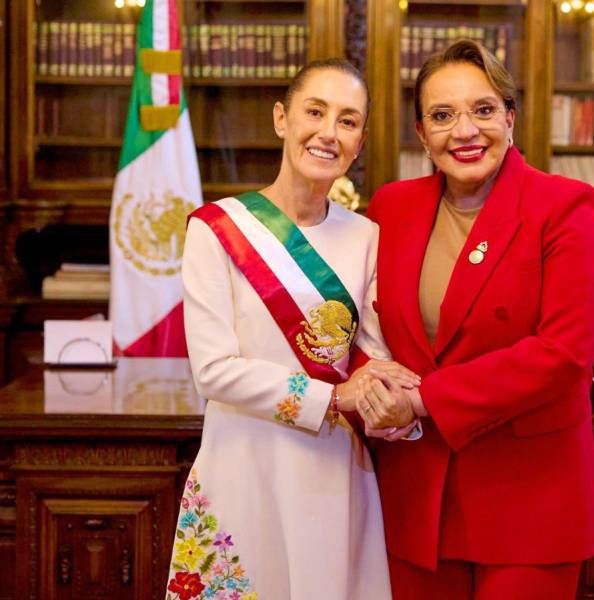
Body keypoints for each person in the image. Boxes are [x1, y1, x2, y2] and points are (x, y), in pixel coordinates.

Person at [361, 39, 594, 598]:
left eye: (483, 109)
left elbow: (564, 354)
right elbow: (364, 328)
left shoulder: (565, 206)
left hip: (529, 496)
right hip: (417, 492)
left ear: (510, 118)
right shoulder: (391, 208)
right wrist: (372, 387)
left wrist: (424, 398)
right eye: (442, 116)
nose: (465, 131)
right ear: (422, 135)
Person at [164, 58, 418, 600]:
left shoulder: (367, 235)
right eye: (315, 111)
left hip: (332, 469)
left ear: (361, 140)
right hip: (243, 462)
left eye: (348, 121)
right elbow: (213, 372)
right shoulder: (216, 228)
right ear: (282, 118)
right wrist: (334, 396)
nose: (329, 132)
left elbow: (372, 355)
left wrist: (391, 397)